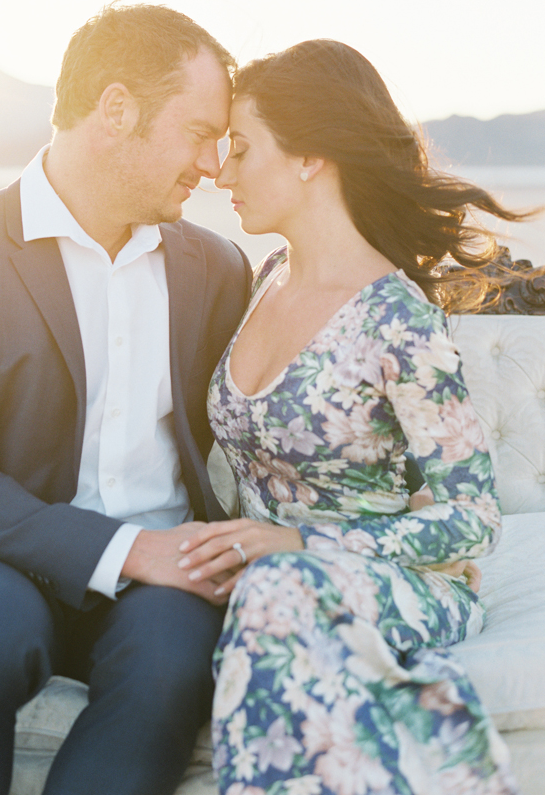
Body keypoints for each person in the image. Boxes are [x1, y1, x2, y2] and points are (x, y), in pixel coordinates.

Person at [0, 4, 252, 795]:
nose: (213, 165)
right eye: (198, 132)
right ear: (117, 109)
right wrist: (129, 551)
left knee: (174, 661)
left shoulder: (217, 269)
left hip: (165, 576)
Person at [177, 40, 526, 794]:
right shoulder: (264, 280)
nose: (221, 172)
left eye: (241, 149)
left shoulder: (396, 319)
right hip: (267, 576)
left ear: (310, 158)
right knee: (261, 590)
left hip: (396, 583)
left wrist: (299, 541)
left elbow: (474, 517)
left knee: (280, 588)